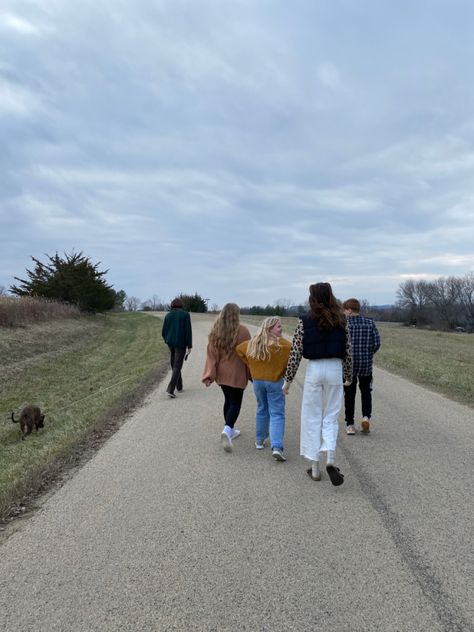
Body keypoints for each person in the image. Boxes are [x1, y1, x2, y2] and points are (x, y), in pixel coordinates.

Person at [283, 282, 352, 486]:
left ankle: (315, 469)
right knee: (330, 417)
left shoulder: (305, 321)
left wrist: (288, 380)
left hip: (314, 370)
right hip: (334, 369)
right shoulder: (341, 320)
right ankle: (330, 459)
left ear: (313, 298)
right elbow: (348, 351)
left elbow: (295, 353)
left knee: (312, 417)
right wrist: (348, 375)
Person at [236, 317, 292, 462]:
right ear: (269, 328)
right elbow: (293, 357)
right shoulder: (284, 345)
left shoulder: (254, 343)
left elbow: (239, 349)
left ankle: (260, 441)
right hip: (274, 382)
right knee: (277, 413)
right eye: (278, 326)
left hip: (258, 381)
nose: (281, 329)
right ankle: (277, 447)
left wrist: (251, 364)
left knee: (262, 408)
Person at [202, 303, 251, 452]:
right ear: (236, 315)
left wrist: (210, 375)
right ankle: (227, 430)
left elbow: (211, 356)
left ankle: (230, 429)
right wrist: (252, 373)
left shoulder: (215, 332)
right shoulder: (243, 331)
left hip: (222, 374)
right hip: (237, 373)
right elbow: (249, 354)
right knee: (235, 403)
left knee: (228, 401)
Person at [342, 298, 381, 435]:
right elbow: (377, 343)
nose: (344, 312)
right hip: (366, 365)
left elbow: (341, 345)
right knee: (366, 392)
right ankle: (366, 417)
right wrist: (369, 354)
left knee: (349, 395)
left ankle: (350, 425)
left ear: (349, 310)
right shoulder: (370, 323)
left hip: (349, 366)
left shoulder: (344, 325)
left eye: (344, 310)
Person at [161, 298, 192, 398]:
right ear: (181, 305)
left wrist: (167, 340)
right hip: (181, 344)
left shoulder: (168, 315)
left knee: (175, 364)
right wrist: (189, 345)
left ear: (172, 305)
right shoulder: (185, 314)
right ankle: (171, 389)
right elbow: (188, 331)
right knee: (177, 365)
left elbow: (163, 331)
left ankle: (179, 386)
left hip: (171, 343)